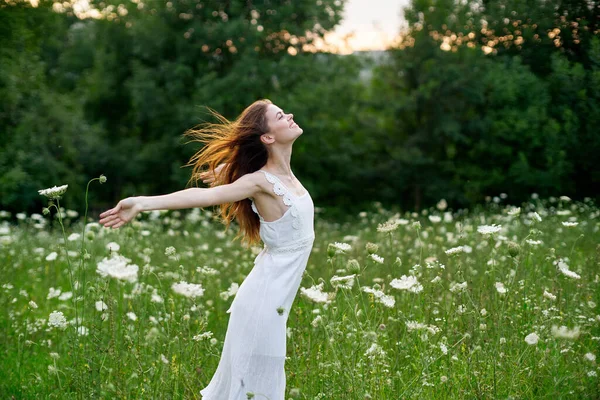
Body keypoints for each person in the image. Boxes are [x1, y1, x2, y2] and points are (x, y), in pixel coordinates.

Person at [98, 99, 315, 399]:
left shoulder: (282, 177)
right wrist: (143, 203)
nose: (290, 114)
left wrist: (231, 168)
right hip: (262, 304)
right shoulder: (259, 183)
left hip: (274, 301)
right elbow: (200, 197)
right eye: (280, 115)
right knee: (256, 390)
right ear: (267, 137)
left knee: (261, 388)